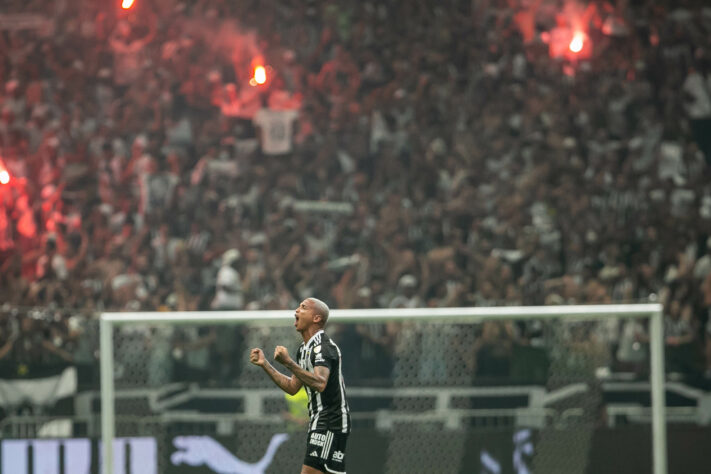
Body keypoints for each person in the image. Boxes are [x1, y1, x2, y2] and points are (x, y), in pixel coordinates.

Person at [250, 297, 350, 474]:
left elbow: (320, 383)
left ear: (316, 318)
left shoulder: (323, 347)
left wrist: (288, 363)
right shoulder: (304, 349)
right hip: (320, 420)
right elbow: (292, 387)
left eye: (303, 307)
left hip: (330, 421)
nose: (296, 310)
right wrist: (265, 364)